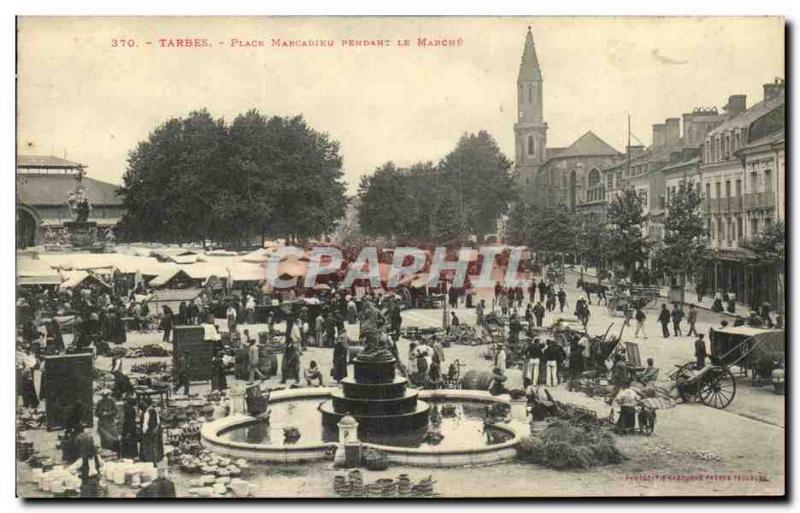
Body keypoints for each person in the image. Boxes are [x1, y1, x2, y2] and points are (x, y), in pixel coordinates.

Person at [68, 428, 103, 497]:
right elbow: (103, 465)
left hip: (89, 483)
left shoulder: (82, 460)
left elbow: (70, 469)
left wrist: (77, 474)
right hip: (93, 483)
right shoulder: (96, 457)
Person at [139, 399, 164, 466]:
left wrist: (143, 432)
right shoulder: (154, 410)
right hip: (155, 430)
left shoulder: (146, 413)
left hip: (149, 432)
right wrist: (156, 429)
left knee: (148, 447)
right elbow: (158, 421)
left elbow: (145, 425)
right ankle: (157, 458)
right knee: (155, 446)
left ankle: (150, 460)